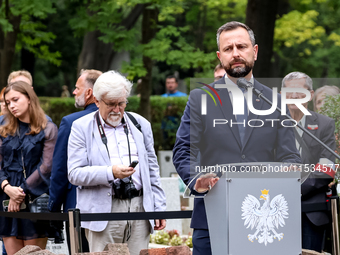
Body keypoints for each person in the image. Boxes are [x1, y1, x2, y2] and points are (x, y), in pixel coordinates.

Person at [172, 21, 301, 255]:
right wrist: (196, 178)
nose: (236, 54)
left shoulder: (275, 101)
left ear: (255, 51)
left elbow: (288, 155)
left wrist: (292, 169)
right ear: (220, 56)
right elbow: (183, 150)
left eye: (241, 46)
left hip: (265, 221)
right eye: (229, 49)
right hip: (211, 219)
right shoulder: (200, 98)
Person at [67, 70, 166, 254]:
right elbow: (74, 174)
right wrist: (110, 172)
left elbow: (152, 167)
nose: (117, 109)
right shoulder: (81, 127)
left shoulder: (140, 124)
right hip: (103, 211)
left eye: (121, 103)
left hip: (140, 207)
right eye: (111, 104)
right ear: (96, 101)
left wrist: (158, 207)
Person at [0, 81, 58, 255]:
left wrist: (19, 193)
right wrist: (6, 187)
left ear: (29, 98)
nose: (11, 106)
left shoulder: (48, 128)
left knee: (33, 254)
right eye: (8, 102)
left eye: (15, 100)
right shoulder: (4, 129)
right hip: (6, 197)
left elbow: (47, 167)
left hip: (34, 198)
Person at [48, 69, 102, 253]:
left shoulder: (71, 122)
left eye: (77, 88)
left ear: (89, 93)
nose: (73, 92)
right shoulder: (121, 120)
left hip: (77, 207)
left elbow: (60, 170)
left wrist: (53, 209)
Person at [282, 72, 336, 252]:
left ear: (310, 95)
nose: (294, 95)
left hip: (312, 211)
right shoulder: (269, 124)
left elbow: (326, 168)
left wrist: (296, 188)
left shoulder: (325, 124)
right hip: (276, 208)